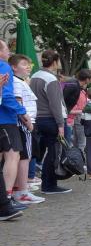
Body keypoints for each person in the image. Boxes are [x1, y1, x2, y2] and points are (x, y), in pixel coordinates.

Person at [28, 50, 70, 195]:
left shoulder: (35, 76)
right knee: (54, 153)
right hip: (51, 119)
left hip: (38, 119)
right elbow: (55, 104)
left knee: (43, 152)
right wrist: (60, 125)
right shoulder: (50, 79)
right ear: (55, 62)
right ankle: (49, 185)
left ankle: (44, 182)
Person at [9, 54, 43, 205]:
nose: (28, 67)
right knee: (25, 158)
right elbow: (18, 102)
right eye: (24, 64)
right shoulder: (16, 82)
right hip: (24, 123)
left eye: (29, 64)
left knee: (23, 157)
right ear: (14, 67)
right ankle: (22, 192)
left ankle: (19, 190)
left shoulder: (21, 81)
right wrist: (27, 121)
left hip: (25, 122)